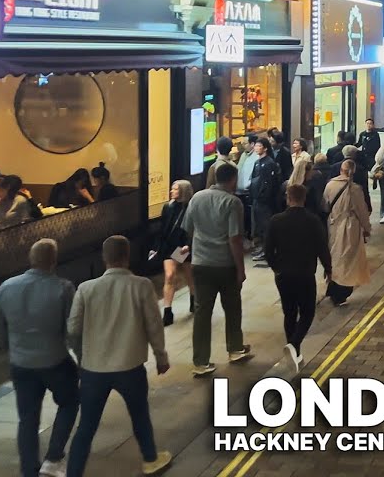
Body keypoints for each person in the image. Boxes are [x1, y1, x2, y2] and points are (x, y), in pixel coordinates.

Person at [66, 236, 172, 477]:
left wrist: (82, 357)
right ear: (127, 256)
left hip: (94, 370)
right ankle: (150, 459)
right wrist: (161, 356)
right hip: (130, 367)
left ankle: (74, 472)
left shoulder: (86, 288)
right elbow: (154, 325)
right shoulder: (141, 285)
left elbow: (72, 329)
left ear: (104, 258)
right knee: (140, 416)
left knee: (86, 427)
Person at [0, 238, 78, 477]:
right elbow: (72, 330)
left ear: (31, 259)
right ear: (54, 261)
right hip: (55, 361)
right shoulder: (63, 288)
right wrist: (80, 357)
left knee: (27, 419)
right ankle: (53, 458)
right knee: (70, 402)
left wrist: (12, 349)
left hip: (21, 364)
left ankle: (29, 470)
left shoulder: (7, 286)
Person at [180, 162, 253, 377]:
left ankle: (201, 361)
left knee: (202, 313)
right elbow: (235, 239)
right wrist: (241, 269)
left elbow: (189, 229)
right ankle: (235, 349)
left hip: (201, 264)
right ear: (232, 179)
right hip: (225, 264)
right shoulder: (233, 203)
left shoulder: (197, 198)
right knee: (232, 308)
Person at [265, 183, 332, 369]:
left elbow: (268, 250)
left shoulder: (275, 221)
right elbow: (321, 247)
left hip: (283, 275)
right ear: (304, 198)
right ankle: (294, 345)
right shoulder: (312, 220)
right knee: (308, 311)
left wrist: (275, 267)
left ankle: (295, 353)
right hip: (305, 273)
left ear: (288, 198)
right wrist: (328, 267)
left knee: (289, 312)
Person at [322, 160, 371, 306]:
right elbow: (362, 211)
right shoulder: (355, 189)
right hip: (350, 228)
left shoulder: (330, 185)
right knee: (348, 260)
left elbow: (324, 205)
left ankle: (332, 286)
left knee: (335, 257)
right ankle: (341, 293)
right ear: (353, 172)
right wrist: (367, 228)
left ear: (340, 170)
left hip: (333, 225)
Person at [157, 180, 195, 326]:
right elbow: (163, 228)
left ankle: (193, 298)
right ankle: (167, 311)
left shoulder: (190, 207)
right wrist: (157, 246)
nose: (171, 191)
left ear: (183, 192)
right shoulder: (168, 207)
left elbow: (191, 227)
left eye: (175, 189)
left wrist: (188, 245)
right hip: (169, 245)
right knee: (170, 275)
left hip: (182, 246)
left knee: (189, 275)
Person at [248, 137, 282, 262]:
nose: (256, 148)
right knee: (259, 227)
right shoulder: (258, 162)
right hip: (257, 199)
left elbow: (269, 184)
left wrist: (263, 197)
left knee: (265, 226)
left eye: (259, 146)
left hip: (265, 202)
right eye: (255, 146)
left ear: (265, 148)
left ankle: (267, 251)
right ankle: (263, 248)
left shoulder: (269, 163)